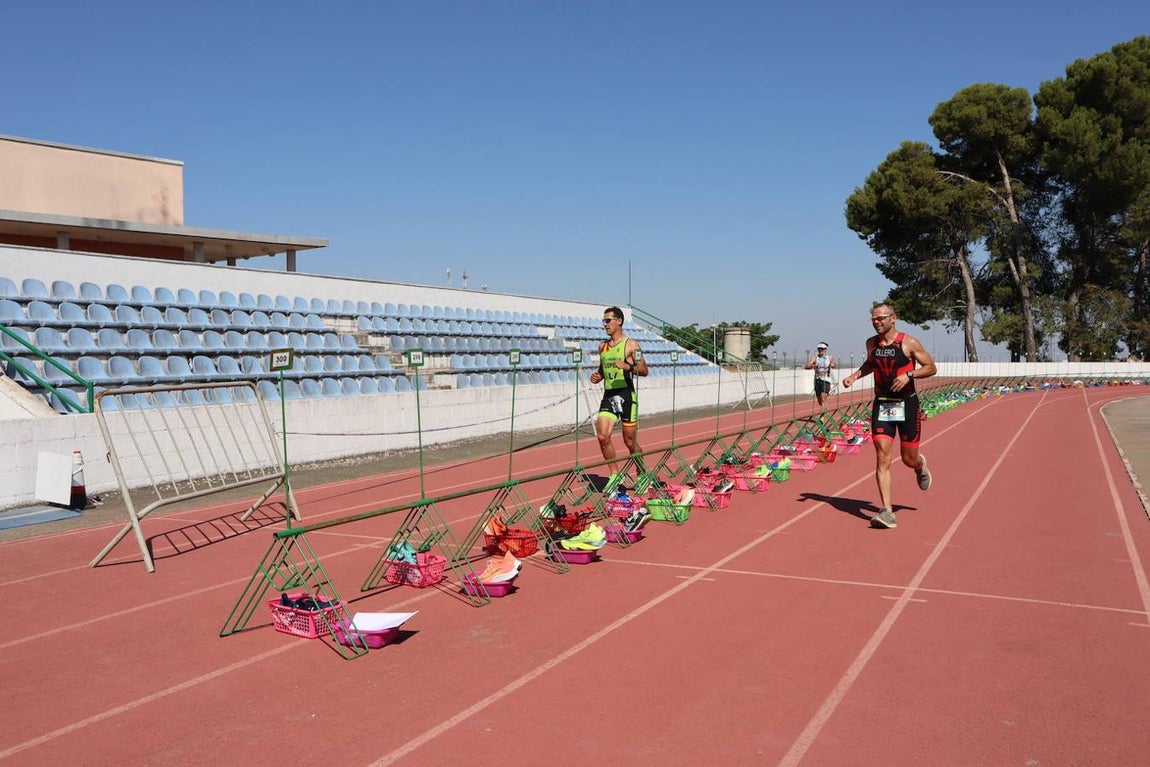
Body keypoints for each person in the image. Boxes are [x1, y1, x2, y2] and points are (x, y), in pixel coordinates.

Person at [841, 303, 936, 529]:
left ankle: (920, 465)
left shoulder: (908, 342)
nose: (877, 322)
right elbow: (871, 364)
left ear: (893, 318)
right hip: (882, 405)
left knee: (907, 458)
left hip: (908, 405)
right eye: (873, 319)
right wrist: (855, 375)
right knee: (882, 455)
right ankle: (887, 511)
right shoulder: (870, 344)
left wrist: (909, 375)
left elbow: (931, 367)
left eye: (881, 318)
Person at [589, 306, 648, 476]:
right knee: (602, 436)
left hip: (626, 395)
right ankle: (615, 474)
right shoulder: (602, 347)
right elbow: (603, 369)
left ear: (619, 321)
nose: (605, 324)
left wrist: (628, 366)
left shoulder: (631, 345)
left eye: (608, 320)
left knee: (629, 441)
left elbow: (643, 370)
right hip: (609, 395)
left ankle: (641, 471)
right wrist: (598, 376)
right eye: (604, 321)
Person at [804, 342, 836, 408]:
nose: (820, 350)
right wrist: (813, 365)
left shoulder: (829, 358)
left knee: (823, 398)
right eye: (819, 349)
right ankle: (824, 411)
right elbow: (806, 366)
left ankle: (823, 417)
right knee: (819, 400)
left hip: (826, 380)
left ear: (825, 350)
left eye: (822, 349)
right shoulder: (815, 358)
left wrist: (832, 365)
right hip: (817, 380)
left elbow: (834, 364)